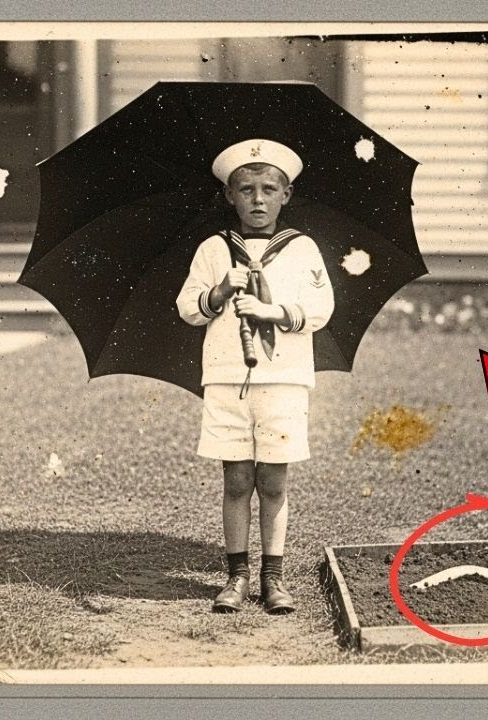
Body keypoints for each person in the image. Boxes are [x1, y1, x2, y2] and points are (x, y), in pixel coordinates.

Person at [176, 139, 335, 614]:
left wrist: (272, 311)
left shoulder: (302, 249)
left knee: (274, 481)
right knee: (236, 478)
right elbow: (188, 308)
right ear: (230, 196)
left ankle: (274, 577)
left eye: (269, 189)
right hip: (227, 379)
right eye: (246, 190)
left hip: (284, 378)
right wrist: (221, 291)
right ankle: (237, 575)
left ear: (286, 195)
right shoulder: (214, 249)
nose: (258, 200)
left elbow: (321, 308)